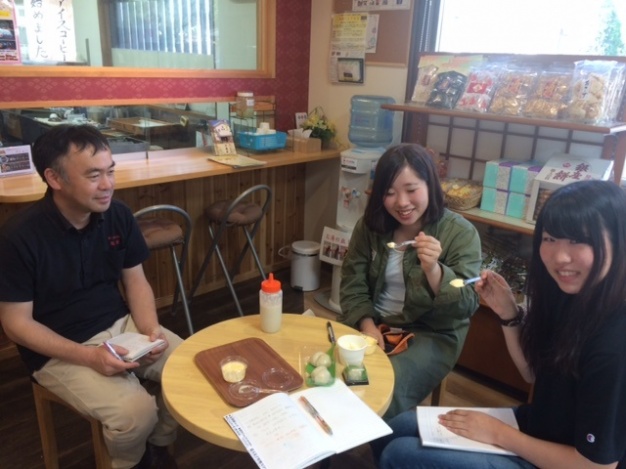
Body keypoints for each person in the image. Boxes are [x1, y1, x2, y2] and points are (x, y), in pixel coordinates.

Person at [375, 180, 626, 468]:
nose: (560, 257)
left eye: (579, 240)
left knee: (400, 454)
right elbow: (531, 373)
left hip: (565, 459)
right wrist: (508, 313)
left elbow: (596, 466)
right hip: (537, 428)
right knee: (396, 428)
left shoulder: (615, 344)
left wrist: (498, 434)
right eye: (550, 239)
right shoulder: (568, 296)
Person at [0, 124, 183, 469]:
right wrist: (89, 357)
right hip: (59, 347)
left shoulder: (117, 215)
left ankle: (158, 448)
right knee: (135, 413)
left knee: (188, 368)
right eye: (94, 175)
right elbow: (16, 324)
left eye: (110, 171)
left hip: (120, 325)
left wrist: (151, 330)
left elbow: (136, 281)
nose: (107, 184)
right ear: (54, 178)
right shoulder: (19, 237)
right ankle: (131, 463)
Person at [338, 143, 482, 419]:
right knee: (329, 372)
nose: (401, 202)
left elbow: (466, 305)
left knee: (381, 390)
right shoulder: (370, 226)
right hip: (370, 319)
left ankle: (384, 443)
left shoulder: (460, 233)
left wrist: (434, 270)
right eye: (390, 192)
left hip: (430, 332)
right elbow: (352, 282)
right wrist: (367, 325)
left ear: (430, 185)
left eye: (411, 189)